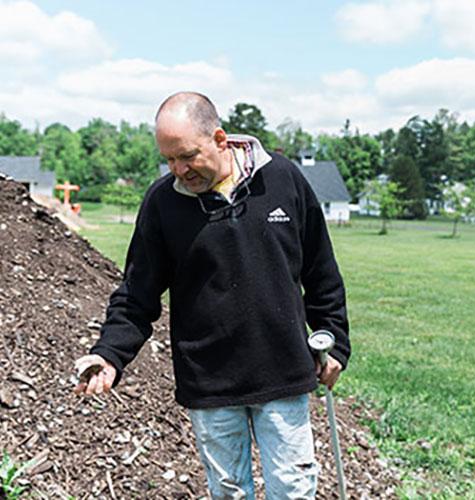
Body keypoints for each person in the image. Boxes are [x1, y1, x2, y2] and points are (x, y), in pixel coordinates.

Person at [73, 91, 350, 499]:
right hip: (210, 380)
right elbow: (137, 294)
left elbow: (321, 270)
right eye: (168, 160)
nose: (179, 170)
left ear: (220, 139)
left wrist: (335, 339)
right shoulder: (162, 202)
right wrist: (111, 355)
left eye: (187, 156)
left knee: (292, 489)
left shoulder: (283, 180)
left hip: (284, 368)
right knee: (229, 492)